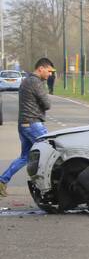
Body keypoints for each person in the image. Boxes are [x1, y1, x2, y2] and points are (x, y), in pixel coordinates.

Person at [0, 58, 55, 197]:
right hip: (33, 124)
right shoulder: (36, 82)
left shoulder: (27, 80)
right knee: (50, 152)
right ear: (40, 68)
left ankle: (2, 180)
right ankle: (50, 187)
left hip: (24, 124)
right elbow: (47, 104)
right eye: (49, 71)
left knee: (25, 157)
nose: (50, 74)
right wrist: (46, 87)